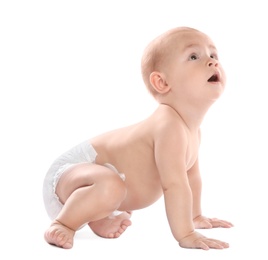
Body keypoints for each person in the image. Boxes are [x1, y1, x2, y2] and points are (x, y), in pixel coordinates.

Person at [43, 26, 233, 250]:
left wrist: (196, 216)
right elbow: (174, 185)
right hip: (68, 175)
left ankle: (99, 216)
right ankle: (63, 223)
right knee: (111, 185)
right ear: (161, 83)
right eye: (194, 56)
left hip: (91, 183)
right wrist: (186, 234)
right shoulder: (168, 124)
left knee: (112, 187)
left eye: (213, 55)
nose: (212, 62)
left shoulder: (192, 129)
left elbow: (192, 178)